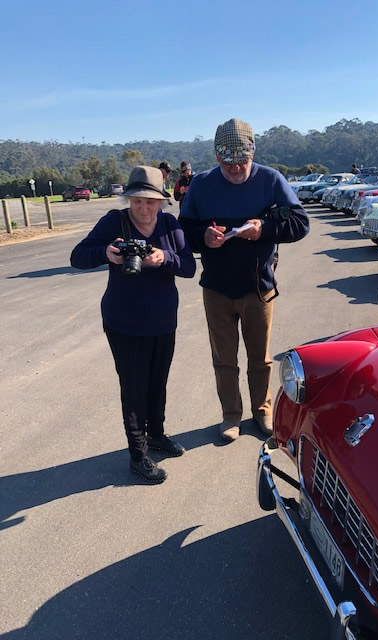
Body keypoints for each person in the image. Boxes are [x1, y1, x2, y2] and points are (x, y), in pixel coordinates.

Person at [179, 118, 309, 443]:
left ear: (253, 153)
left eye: (242, 161)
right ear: (216, 156)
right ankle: (231, 415)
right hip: (217, 289)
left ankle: (262, 410)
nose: (236, 168)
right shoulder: (202, 185)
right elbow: (183, 231)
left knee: (260, 358)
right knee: (224, 359)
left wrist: (265, 229)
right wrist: (203, 236)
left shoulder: (270, 180)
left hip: (258, 289)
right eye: (228, 162)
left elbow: (300, 223)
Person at [70, 166, 196, 483]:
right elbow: (77, 256)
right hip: (124, 323)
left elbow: (188, 267)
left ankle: (157, 434)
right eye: (137, 201)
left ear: (161, 202)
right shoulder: (115, 221)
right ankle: (138, 455)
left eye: (150, 202)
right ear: (129, 199)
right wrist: (106, 253)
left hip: (163, 321)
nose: (143, 208)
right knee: (134, 387)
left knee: (158, 382)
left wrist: (164, 258)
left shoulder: (169, 224)